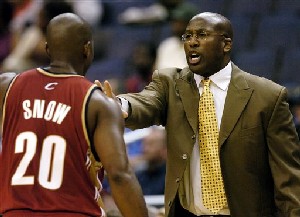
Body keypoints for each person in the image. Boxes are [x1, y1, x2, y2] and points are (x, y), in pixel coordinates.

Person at [98, 12, 300, 217]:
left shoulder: (267, 96)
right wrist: (120, 104)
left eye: (202, 35)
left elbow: (289, 180)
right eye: (188, 36)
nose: (192, 42)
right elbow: (145, 102)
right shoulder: (169, 83)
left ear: (226, 44)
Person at [0, 13, 148, 217]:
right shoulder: (98, 103)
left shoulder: (7, 86)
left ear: (47, 48)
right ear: (87, 49)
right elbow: (120, 175)